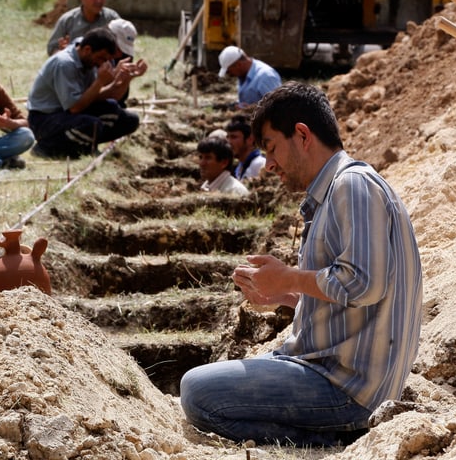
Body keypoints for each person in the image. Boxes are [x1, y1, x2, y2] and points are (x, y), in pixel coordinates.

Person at [180, 82, 422, 446]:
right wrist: (286, 295)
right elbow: (352, 299)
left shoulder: (352, 185)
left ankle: (333, 439)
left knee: (198, 392)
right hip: (334, 375)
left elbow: (365, 285)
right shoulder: (337, 190)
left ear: (303, 135)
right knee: (201, 388)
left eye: (272, 148)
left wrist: (289, 276)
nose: (269, 165)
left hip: (347, 390)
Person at [27, 28, 140, 160]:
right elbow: (75, 107)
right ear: (87, 50)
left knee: (124, 116)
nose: (102, 63)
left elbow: (95, 96)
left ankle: (84, 146)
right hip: (44, 119)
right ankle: (47, 147)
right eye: (101, 58)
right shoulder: (65, 64)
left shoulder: (86, 57)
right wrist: (100, 81)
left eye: (106, 60)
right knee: (92, 124)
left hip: (67, 114)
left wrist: (125, 79)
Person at [47, 0, 120, 56]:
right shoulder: (68, 20)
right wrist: (63, 52)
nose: (99, 1)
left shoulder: (112, 18)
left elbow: (123, 47)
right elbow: (52, 49)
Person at [106, 18, 148, 108]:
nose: (120, 54)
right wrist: (114, 74)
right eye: (118, 48)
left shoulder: (123, 57)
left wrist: (129, 77)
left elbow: (121, 98)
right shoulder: (95, 54)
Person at [225, 114, 265, 181]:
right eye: (228, 137)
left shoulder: (260, 164)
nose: (229, 142)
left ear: (250, 139)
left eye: (234, 137)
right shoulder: (240, 166)